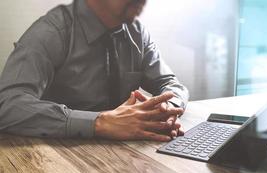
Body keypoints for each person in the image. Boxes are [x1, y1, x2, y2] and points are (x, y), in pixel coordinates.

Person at [0, 0, 189, 141]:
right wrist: (99, 122)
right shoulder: (52, 31)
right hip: (58, 160)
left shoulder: (137, 33)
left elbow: (171, 84)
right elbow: (7, 106)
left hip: (125, 159)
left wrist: (166, 110)